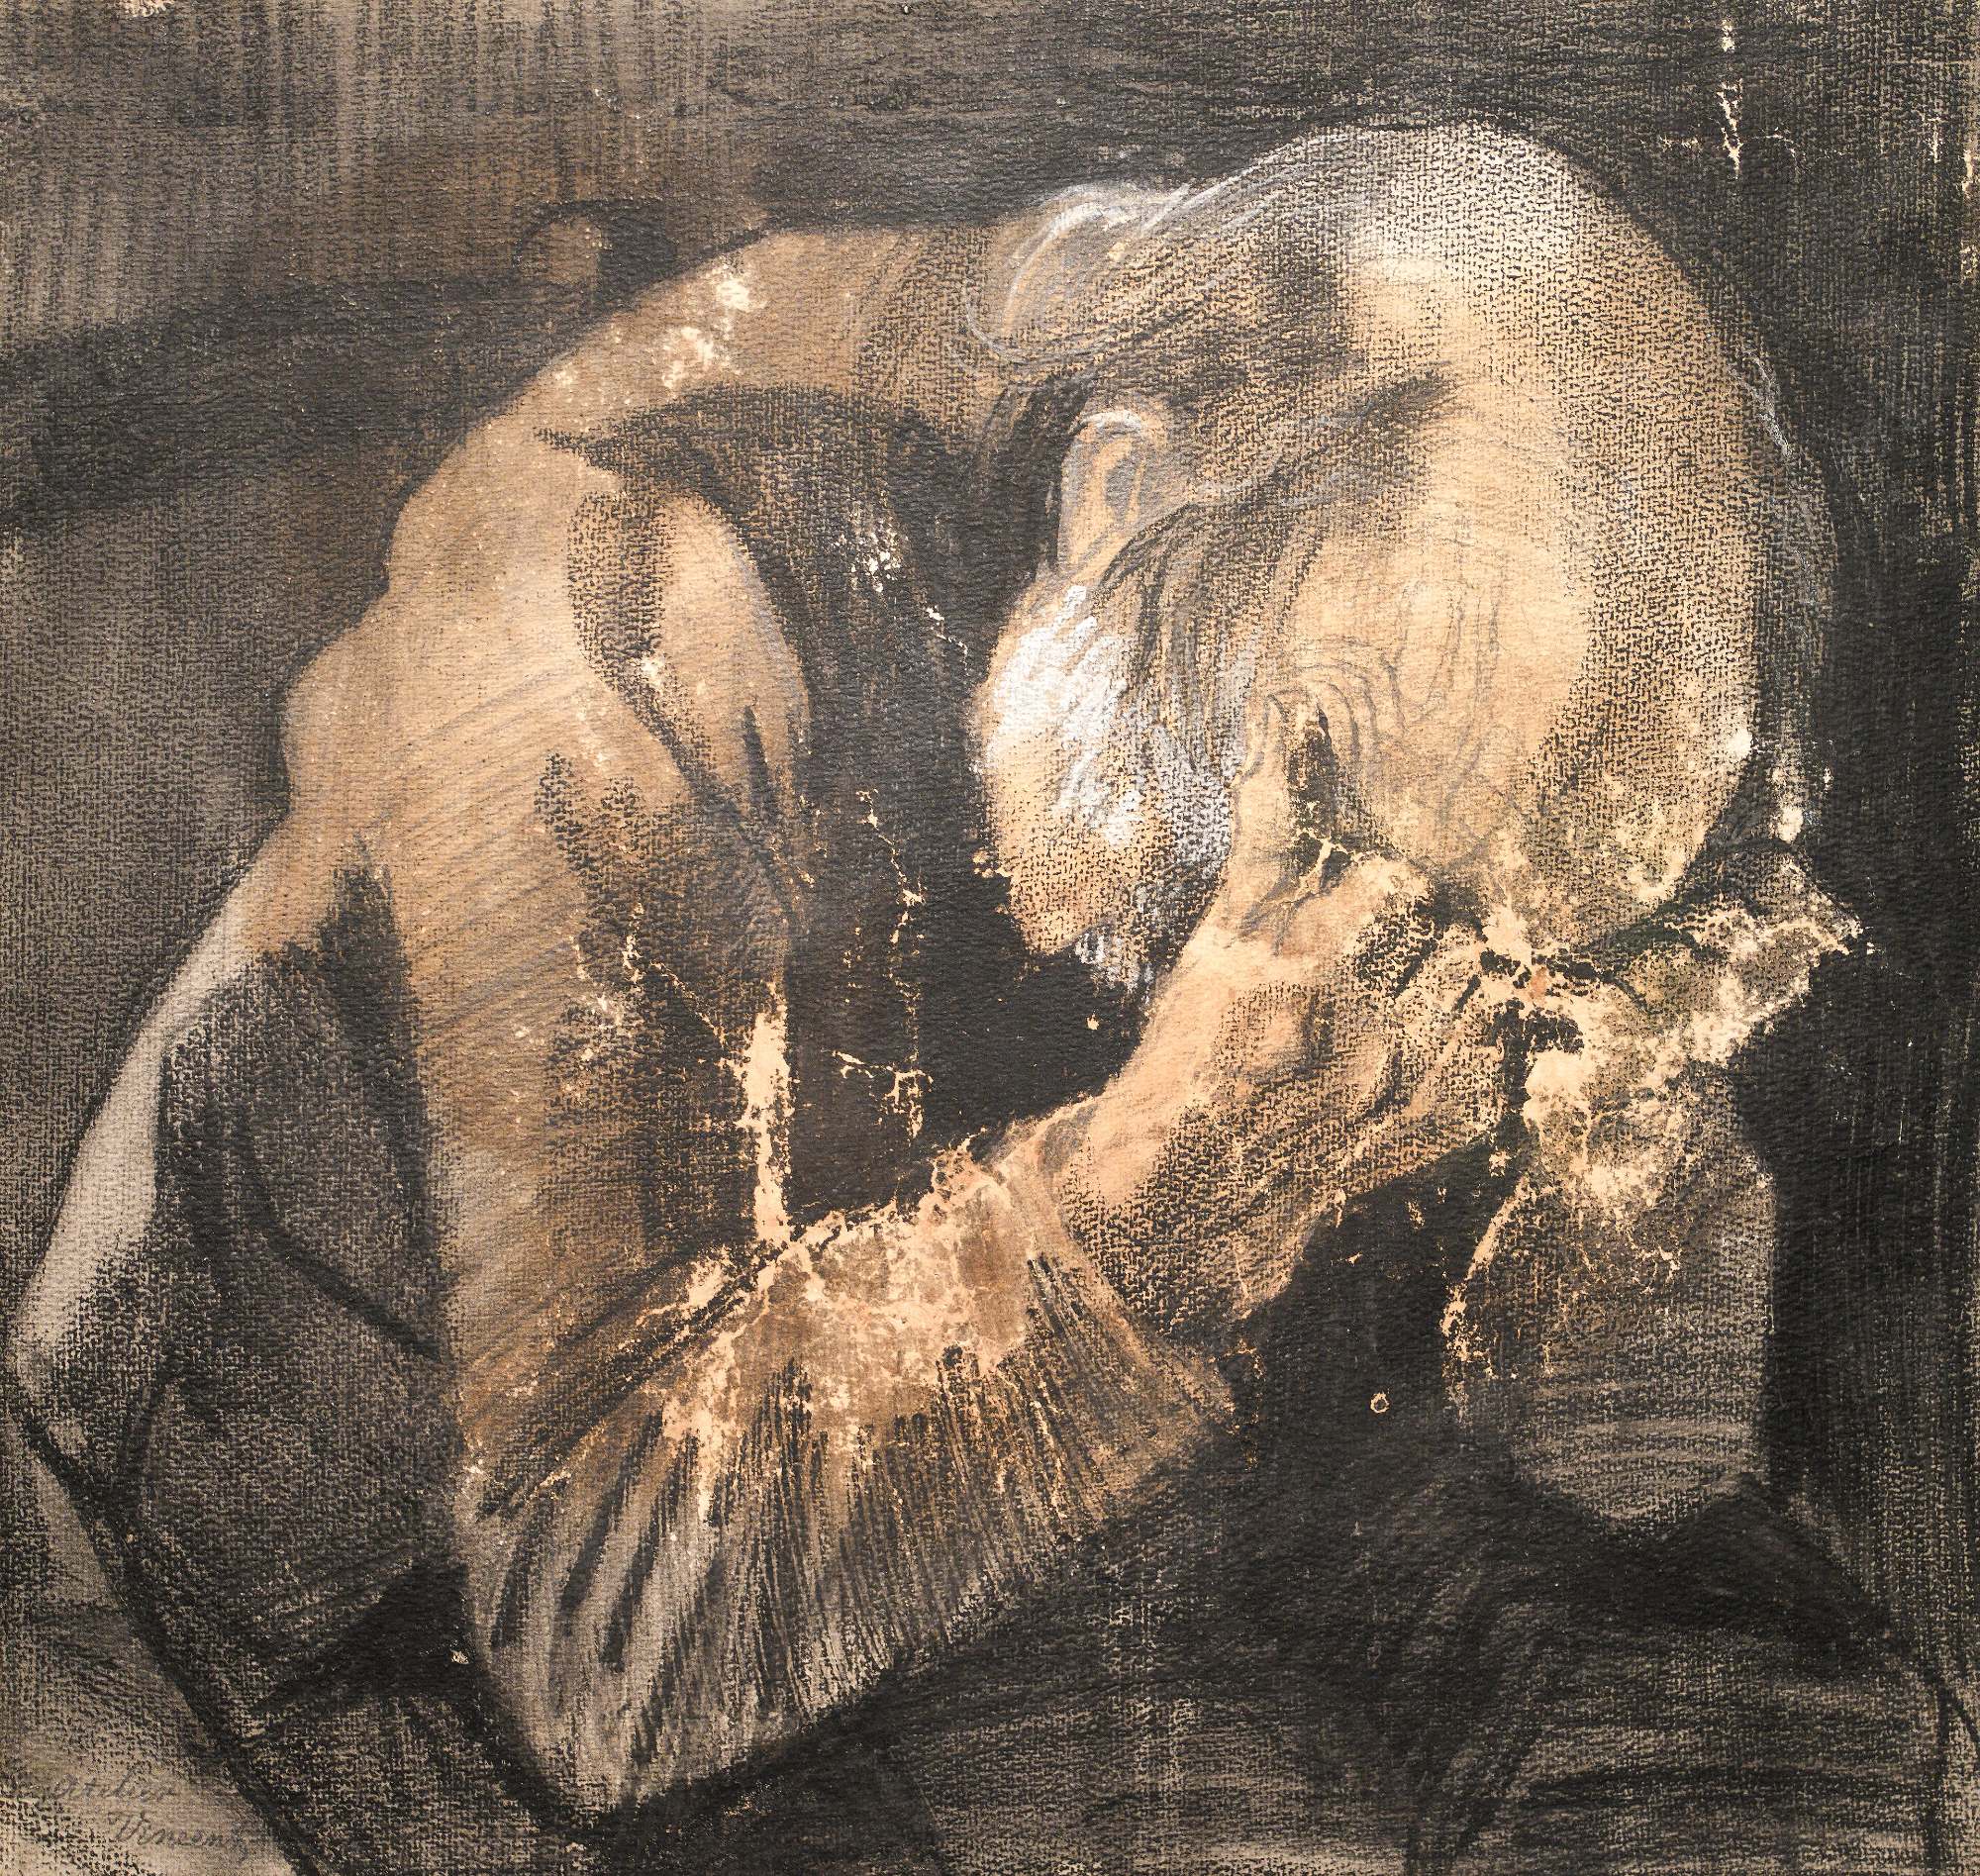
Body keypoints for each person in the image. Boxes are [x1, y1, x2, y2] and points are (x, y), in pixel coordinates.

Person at [9, 125, 1931, 1872]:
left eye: (1515, 931)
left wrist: (1624, 1203)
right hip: (306, 1642)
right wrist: (1160, 1199)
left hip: (958, 1566)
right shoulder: (617, 594)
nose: (1390, 993)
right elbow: (590, 1662)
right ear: (1121, 497)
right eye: (1336, 815)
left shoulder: (1358, 621)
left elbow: (1621, 1473)